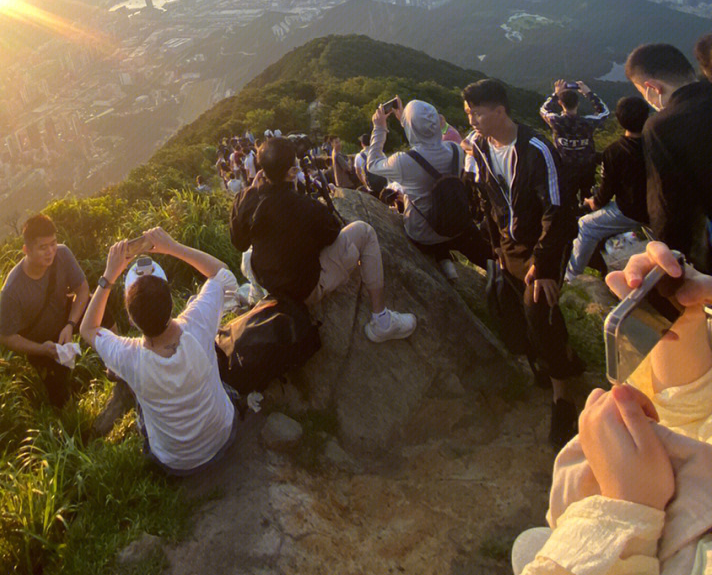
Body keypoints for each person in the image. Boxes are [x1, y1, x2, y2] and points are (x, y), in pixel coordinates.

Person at [503, 239, 712, 575]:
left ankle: (560, 393)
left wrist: (618, 515)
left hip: (639, 554)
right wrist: (688, 343)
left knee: (529, 550)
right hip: (667, 528)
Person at [462, 78, 583, 448]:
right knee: (523, 311)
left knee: (537, 309)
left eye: (477, 113)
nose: (472, 120)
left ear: (500, 111)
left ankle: (563, 397)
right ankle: (562, 359)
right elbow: (487, 199)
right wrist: (496, 245)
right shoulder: (480, 148)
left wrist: (544, 264)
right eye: (468, 113)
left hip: (542, 244)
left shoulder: (535, 149)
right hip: (508, 244)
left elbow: (557, 210)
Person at [79, 226, 238, 476]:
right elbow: (222, 274)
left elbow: (88, 328)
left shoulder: (127, 357)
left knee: (142, 405)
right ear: (172, 303)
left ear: (131, 320)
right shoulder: (197, 322)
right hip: (223, 437)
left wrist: (109, 275)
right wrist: (173, 247)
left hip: (176, 464)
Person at [230, 134, 416, 342]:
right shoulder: (301, 206)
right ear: (292, 172)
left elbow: (239, 243)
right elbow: (332, 233)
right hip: (303, 289)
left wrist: (252, 192)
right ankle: (382, 320)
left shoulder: (244, 198)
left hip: (270, 284)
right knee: (364, 231)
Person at [366, 97, 492, 281]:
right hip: (457, 225)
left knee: (420, 212)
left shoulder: (403, 161)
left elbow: (373, 163)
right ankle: (505, 276)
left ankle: (444, 260)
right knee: (482, 252)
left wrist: (379, 128)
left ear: (410, 127)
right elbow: (428, 145)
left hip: (423, 233)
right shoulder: (455, 150)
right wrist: (406, 120)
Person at [625, 41, 712, 270]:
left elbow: (666, 203)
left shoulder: (661, 126)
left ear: (653, 87)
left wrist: (672, 263)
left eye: (643, 93)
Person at [0, 212, 90, 408]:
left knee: (97, 305)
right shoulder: (12, 289)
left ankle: (118, 365)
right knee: (60, 396)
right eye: (43, 247)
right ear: (26, 250)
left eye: (53, 244)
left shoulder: (62, 254)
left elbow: (82, 290)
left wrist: (70, 324)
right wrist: (43, 350)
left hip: (64, 320)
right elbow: (6, 336)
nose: (50, 251)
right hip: (40, 342)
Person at [564, 94, 650, 283]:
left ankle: (572, 278)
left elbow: (604, 194)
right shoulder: (657, 143)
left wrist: (591, 202)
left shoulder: (614, 151)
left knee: (586, 225)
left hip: (631, 211)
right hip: (657, 207)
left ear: (619, 120)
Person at [539, 79, 610, 205]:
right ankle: (588, 216)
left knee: (568, 199)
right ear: (578, 104)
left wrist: (556, 94)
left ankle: (571, 218)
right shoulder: (587, 122)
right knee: (587, 197)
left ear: (560, 103)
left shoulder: (556, 121)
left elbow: (543, 109)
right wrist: (588, 93)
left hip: (565, 167)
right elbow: (604, 112)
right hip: (587, 167)